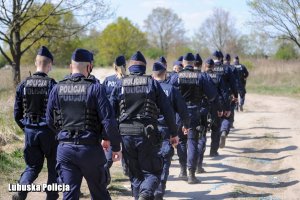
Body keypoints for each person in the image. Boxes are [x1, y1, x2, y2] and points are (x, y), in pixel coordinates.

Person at [46, 48, 122, 200]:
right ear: (89, 67)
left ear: (70, 66)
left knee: (69, 194)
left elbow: (49, 120)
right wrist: (115, 146)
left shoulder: (57, 88)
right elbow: (108, 120)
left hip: (65, 150)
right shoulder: (95, 88)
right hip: (90, 150)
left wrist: (63, 135)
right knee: (99, 193)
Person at [110, 51, 179, 200]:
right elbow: (167, 110)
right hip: (147, 135)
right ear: (144, 68)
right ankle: (146, 193)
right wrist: (174, 133)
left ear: (130, 68)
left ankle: (140, 196)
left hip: (126, 135)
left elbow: (110, 114)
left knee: (135, 175)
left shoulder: (119, 84)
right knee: (153, 172)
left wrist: (109, 138)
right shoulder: (152, 83)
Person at [13, 46, 58, 200]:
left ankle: (21, 190)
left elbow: (16, 113)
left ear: (35, 63)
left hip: (30, 132)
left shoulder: (23, 85)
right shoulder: (53, 85)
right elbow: (58, 113)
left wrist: (26, 128)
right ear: (49, 64)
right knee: (53, 168)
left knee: (32, 166)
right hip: (49, 133)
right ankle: (51, 197)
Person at [169, 53, 218, 184]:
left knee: (181, 141)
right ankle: (191, 174)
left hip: (178, 114)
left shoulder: (175, 77)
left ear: (183, 63)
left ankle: (182, 170)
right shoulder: (201, 76)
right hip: (194, 113)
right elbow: (213, 95)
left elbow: (167, 96)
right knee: (192, 141)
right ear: (193, 63)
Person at [151, 62, 190, 199]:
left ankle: (149, 188)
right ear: (165, 74)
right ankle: (160, 189)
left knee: (149, 160)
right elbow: (182, 109)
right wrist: (185, 124)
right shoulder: (171, 89)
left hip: (147, 131)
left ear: (152, 74)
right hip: (166, 129)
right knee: (165, 159)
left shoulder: (146, 88)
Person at [102, 55, 129, 178]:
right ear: (125, 66)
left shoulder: (107, 80)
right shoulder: (129, 80)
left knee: (110, 148)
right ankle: (127, 169)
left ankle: (104, 173)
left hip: (110, 120)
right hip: (126, 119)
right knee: (127, 147)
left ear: (114, 66)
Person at [212, 50, 236, 152]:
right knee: (226, 116)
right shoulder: (227, 69)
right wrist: (235, 95)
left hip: (211, 99)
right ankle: (224, 131)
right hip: (225, 97)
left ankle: (213, 150)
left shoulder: (209, 68)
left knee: (215, 122)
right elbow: (233, 84)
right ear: (221, 58)